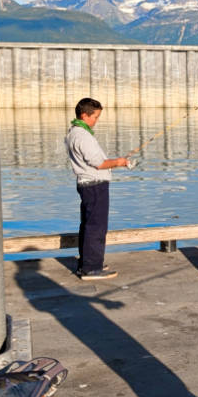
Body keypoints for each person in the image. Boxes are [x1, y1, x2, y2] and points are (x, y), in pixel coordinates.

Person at [65, 97, 130, 280]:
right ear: (84, 115)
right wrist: (119, 162)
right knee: (96, 227)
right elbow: (98, 163)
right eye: (95, 117)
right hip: (95, 186)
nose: (96, 121)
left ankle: (87, 262)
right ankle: (91, 268)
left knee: (88, 225)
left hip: (87, 185)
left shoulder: (74, 132)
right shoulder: (82, 136)